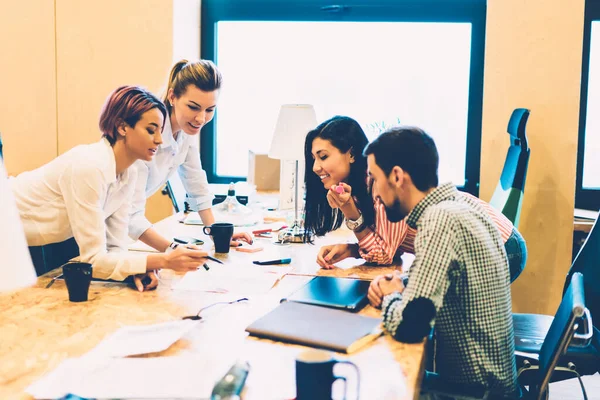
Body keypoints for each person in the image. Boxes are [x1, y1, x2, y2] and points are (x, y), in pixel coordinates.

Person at [365, 127, 517, 398]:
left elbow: (410, 327)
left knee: (371, 383)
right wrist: (401, 284)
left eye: (375, 179)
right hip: (490, 385)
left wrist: (389, 298)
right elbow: (443, 278)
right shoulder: (458, 205)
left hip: (476, 393)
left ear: (397, 176)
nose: (375, 194)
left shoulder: (439, 220)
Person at [10, 86, 208, 291]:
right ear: (122, 127)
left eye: (160, 131)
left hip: (30, 237)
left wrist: (135, 270)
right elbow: (93, 260)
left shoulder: (129, 172)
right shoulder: (89, 167)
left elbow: (115, 247)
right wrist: (163, 261)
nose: (159, 139)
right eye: (151, 130)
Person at [304, 116, 527, 282]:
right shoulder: (364, 185)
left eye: (323, 157)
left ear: (351, 154)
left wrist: (350, 211)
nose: (315, 167)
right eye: (313, 158)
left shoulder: (384, 185)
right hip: (491, 240)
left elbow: (383, 254)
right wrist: (352, 249)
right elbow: (390, 242)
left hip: (503, 245)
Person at [129, 60, 252, 252]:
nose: (201, 118)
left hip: (113, 227)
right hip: (87, 226)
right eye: (193, 107)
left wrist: (217, 233)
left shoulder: (185, 133)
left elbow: (197, 185)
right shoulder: (146, 133)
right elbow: (130, 215)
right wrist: (173, 250)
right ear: (172, 96)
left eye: (210, 109)